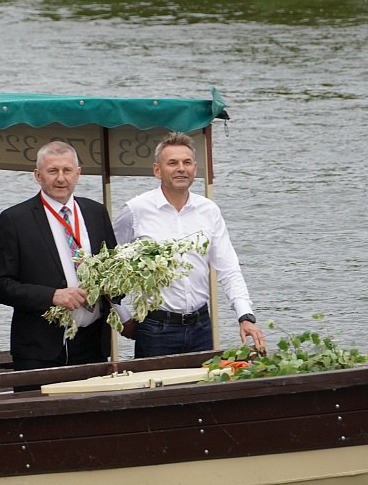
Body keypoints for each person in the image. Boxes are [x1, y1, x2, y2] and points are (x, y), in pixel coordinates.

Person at [113, 132, 267, 358]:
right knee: (153, 383)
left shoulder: (209, 211)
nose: (181, 169)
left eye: (187, 162)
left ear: (195, 168)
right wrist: (123, 318)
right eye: (172, 163)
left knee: (204, 381)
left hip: (201, 327)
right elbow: (108, 269)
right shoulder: (136, 210)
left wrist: (245, 316)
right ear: (157, 170)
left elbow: (229, 269)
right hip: (156, 328)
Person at [0, 141, 117, 369]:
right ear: (38, 175)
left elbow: (114, 270)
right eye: (52, 171)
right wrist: (51, 296)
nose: (61, 178)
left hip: (92, 342)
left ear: (78, 173)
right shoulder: (15, 220)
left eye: (67, 170)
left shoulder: (96, 212)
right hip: (40, 348)